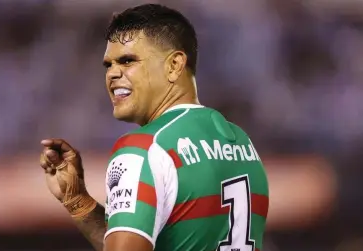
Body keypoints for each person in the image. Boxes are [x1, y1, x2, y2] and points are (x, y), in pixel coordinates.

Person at [39, 4, 269, 251]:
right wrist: (78, 202)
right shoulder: (242, 144)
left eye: (127, 61)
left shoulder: (144, 149)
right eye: (108, 65)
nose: (113, 74)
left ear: (174, 65)